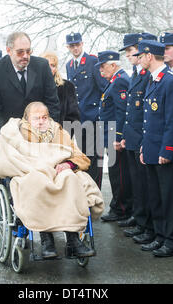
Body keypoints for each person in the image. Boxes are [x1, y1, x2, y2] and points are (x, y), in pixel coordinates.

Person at [0, 101, 103, 259]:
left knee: (70, 179)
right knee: (38, 181)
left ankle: (73, 240)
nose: (41, 121)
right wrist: (33, 166)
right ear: (27, 119)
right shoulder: (16, 133)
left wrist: (67, 164)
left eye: (45, 117)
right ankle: (46, 240)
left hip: (58, 173)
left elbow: (81, 157)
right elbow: (4, 159)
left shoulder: (58, 131)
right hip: (30, 172)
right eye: (36, 118)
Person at [136, 40, 173, 257]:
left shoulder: (171, 82)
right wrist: (143, 148)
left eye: (141, 55)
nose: (138, 59)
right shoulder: (153, 80)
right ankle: (160, 235)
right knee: (155, 197)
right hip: (151, 150)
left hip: (164, 153)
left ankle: (172, 239)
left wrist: (167, 150)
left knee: (169, 199)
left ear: (149, 56)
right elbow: (149, 120)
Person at [0, 32, 60, 135]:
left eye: (28, 51)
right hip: (8, 135)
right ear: (8, 51)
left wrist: (46, 130)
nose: (25, 56)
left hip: (40, 134)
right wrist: (5, 133)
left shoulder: (42, 66)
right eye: (20, 52)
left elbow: (53, 102)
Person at [117, 33, 154, 244]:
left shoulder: (148, 74)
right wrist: (125, 136)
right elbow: (130, 110)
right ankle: (140, 221)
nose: (131, 55)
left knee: (145, 186)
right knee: (137, 185)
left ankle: (146, 225)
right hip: (132, 137)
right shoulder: (136, 73)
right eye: (128, 51)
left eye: (133, 50)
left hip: (142, 137)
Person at [65, 32, 108, 188]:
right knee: (84, 157)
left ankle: (95, 192)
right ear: (68, 47)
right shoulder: (69, 65)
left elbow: (104, 89)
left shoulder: (92, 61)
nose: (75, 48)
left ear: (82, 44)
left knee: (95, 159)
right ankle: (88, 194)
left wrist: (100, 114)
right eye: (72, 46)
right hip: (79, 118)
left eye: (77, 44)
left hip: (93, 117)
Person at [96, 51, 133, 223]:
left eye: (103, 67)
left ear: (113, 64)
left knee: (119, 175)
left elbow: (122, 112)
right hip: (110, 134)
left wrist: (118, 137)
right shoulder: (114, 80)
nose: (101, 72)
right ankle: (118, 206)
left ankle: (121, 208)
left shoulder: (120, 81)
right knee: (115, 173)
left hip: (115, 136)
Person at [41, 51, 80, 124]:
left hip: (61, 132)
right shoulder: (33, 87)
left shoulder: (67, 87)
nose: (50, 68)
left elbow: (73, 116)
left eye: (53, 65)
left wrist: (63, 134)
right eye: (46, 65)